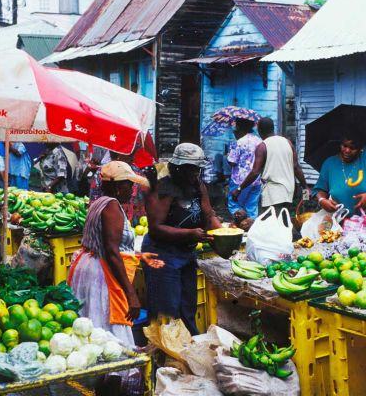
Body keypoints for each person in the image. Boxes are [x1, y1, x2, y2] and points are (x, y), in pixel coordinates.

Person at [67, 161, 163, 346]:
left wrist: (138, 255)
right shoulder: (111, 207)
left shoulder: (99, 203)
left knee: (94, 328)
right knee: (107, 331)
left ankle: (101, 374)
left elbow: (112, 245)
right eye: (129, 184)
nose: (133, 188)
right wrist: (131, 294)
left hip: (92, 266)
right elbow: (112, 252)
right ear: (119, 187)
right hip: (103, 273)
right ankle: (111, 374)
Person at [142, 143, 222, 335]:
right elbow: (155, 228)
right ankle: (164, 355)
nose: (194, 173)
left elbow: (209, 215)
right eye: (189, 169)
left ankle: (187, 350)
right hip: (162, 254)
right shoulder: (165, 187)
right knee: (167, 309)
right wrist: (190, 233)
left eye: (196, 169)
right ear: (178, 167)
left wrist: (224, 234)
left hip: (186, 253)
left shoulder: (198, 185)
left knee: (188, 306)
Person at [232, 117, 309, 213]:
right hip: (288, 192)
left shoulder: (262, 146)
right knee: (284, 222)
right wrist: (305, 188)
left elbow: (255, 172)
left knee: (270, 224)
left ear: (260, 130)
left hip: (273, 194)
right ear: (273, 128)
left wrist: (239, 189)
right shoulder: (287, 142)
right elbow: (296, 167)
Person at [314, 134, 366, 216]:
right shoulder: (330, 163)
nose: (347, 150)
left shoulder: (364, 159)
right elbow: (320, 189)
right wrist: (322, 200)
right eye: (344, 146)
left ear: (360, 148)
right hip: (338, 221)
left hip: (363, 223)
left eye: (353, 148)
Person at [227, 118, 262, 219]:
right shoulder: (259, 141)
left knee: (235, 206)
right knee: (251, 208)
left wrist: (229, 154)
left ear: (239, 127)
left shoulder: (238, 142)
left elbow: (232, 162)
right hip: (256, 180)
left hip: (239, 181)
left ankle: (239, 229)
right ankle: (250, 230)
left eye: (236, 125)